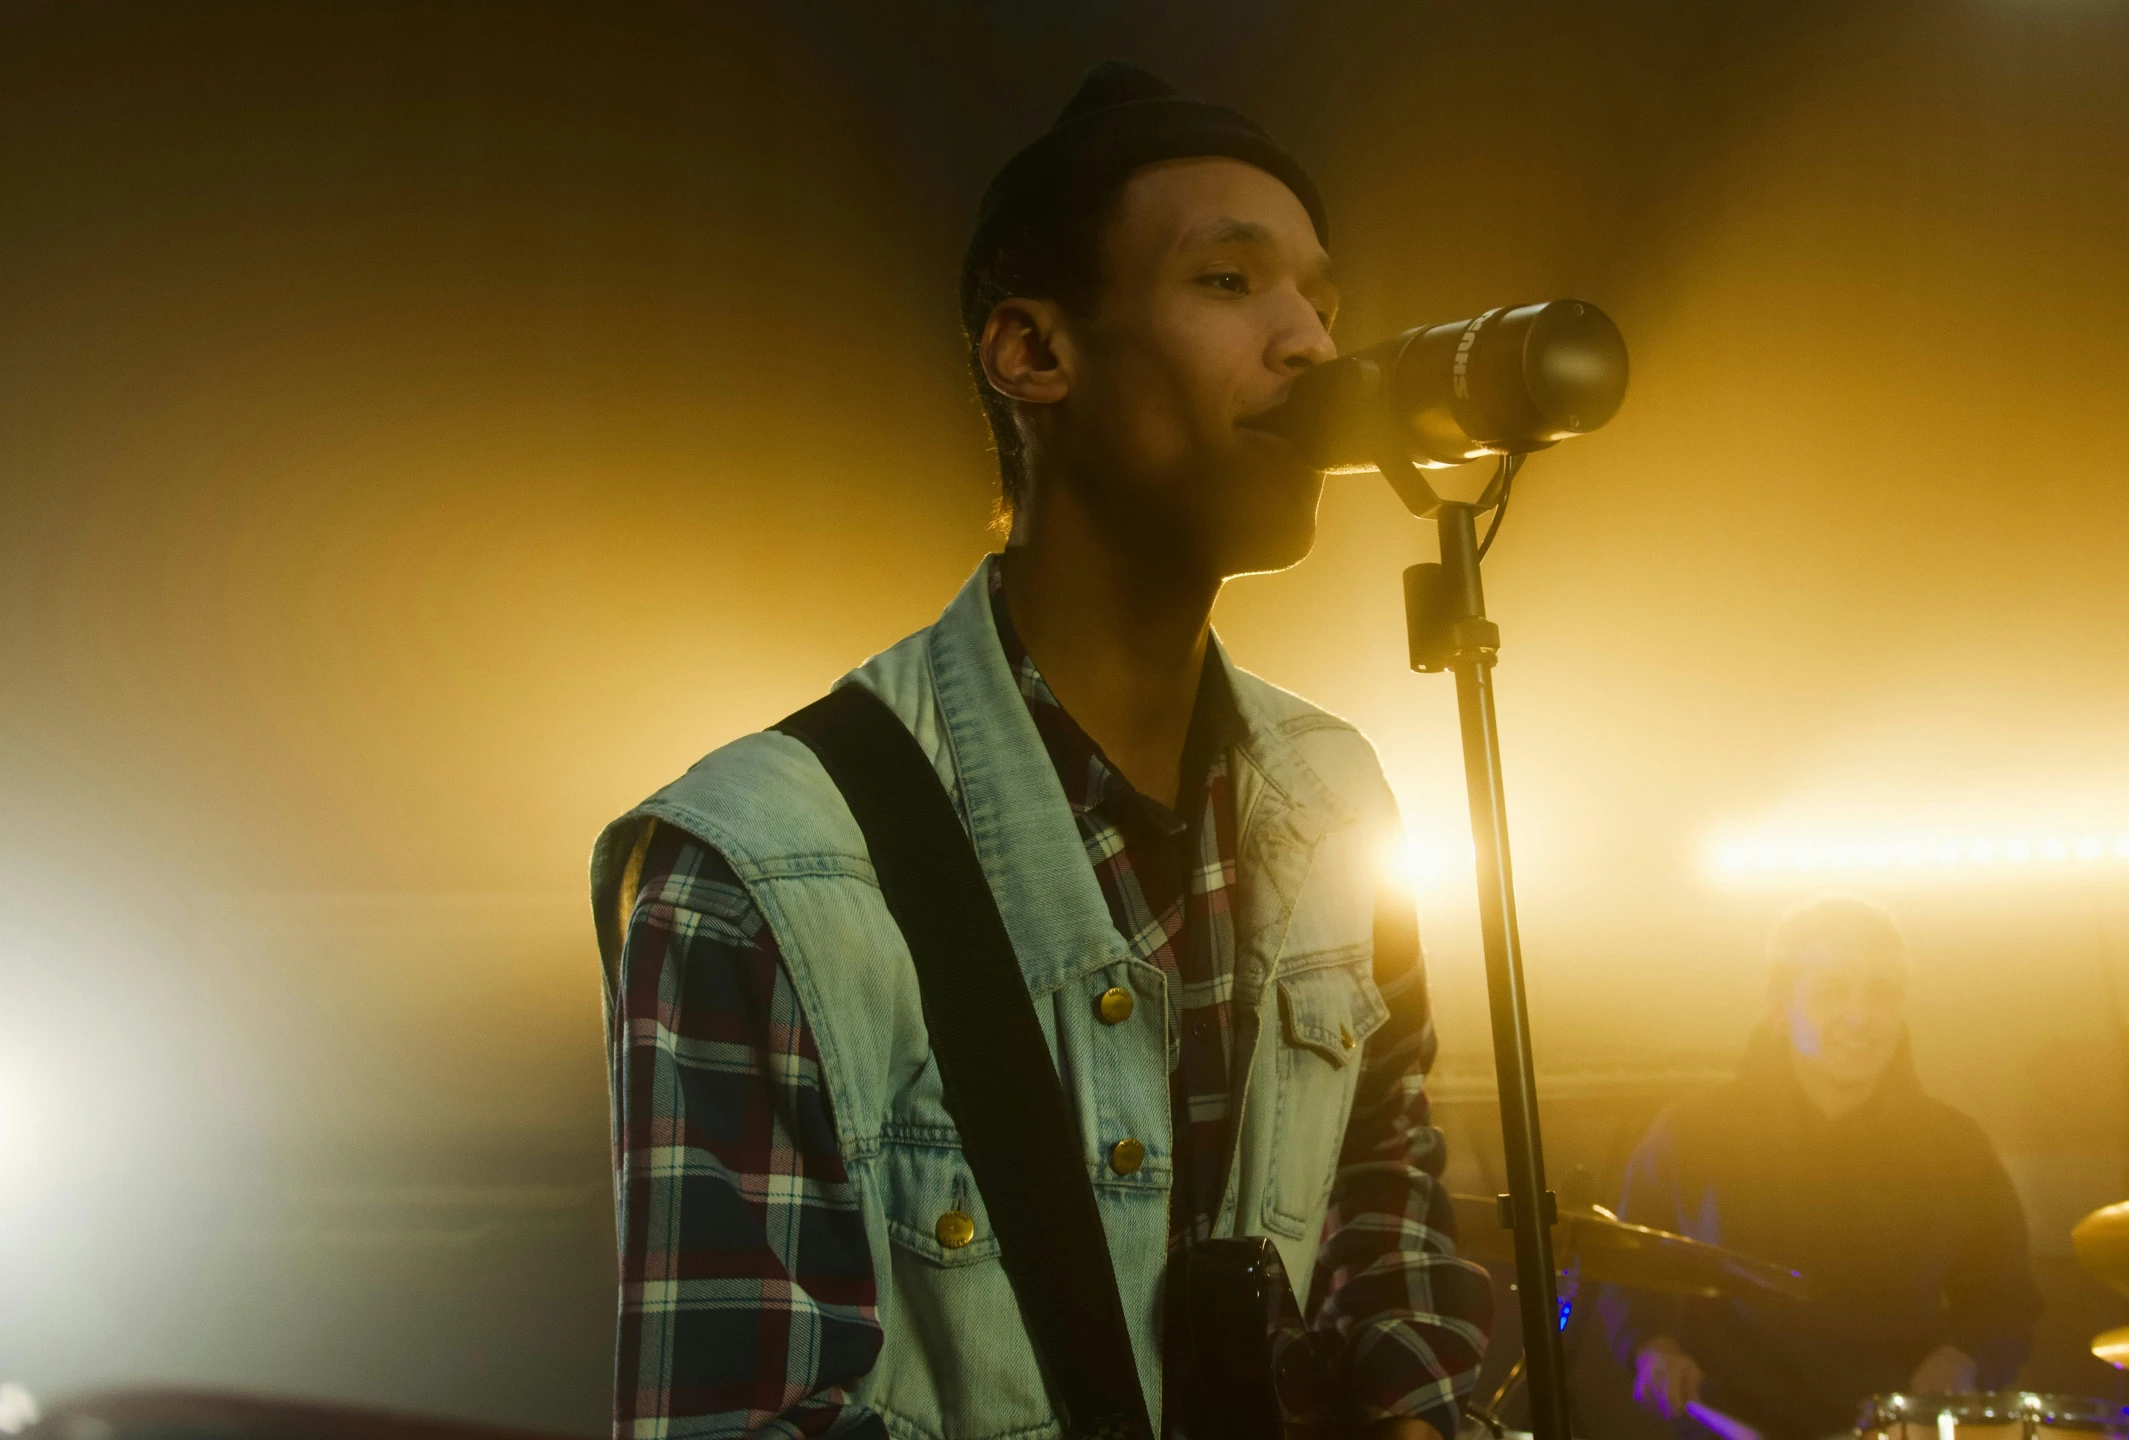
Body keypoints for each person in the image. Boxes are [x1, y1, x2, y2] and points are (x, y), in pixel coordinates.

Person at [588, 63, 1490, 1440]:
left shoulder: (1337, 799)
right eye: (1229, 282)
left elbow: (1383, 1193)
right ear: (1032, 354)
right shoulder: (756, 864)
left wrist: (1412, 1403)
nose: (1310, 345)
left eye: (1321, 299)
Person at [1600, 896, 2041, 1440]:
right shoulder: (1690, 1134)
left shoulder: (1956, 1145)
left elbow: (2006, 1301)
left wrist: (1965, 1358)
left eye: (1882, 994)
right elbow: (1624, 1271)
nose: (1861, 1017)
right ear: (1779, 1008)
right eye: (1834, 991)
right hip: (1732, 1423)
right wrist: (1653, 1347)